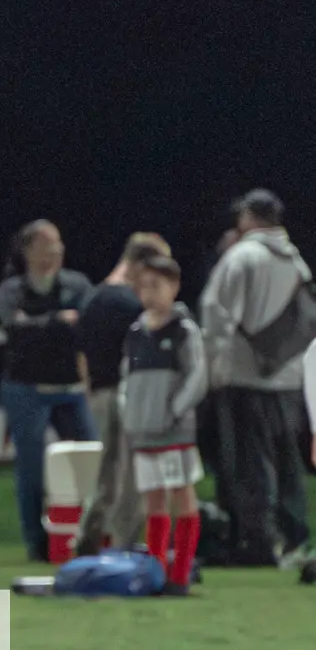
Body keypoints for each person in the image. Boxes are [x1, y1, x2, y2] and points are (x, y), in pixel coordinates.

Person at [199, 190, 314, 568]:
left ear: (248, 217)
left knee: (250, 464)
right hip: (288, 378)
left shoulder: (242, 256)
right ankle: (294, 537)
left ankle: (256, 542)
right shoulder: (296, 260)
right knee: (288, 463)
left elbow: (216, 315)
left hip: (244, 378)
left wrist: (211, 368)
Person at [0, 221, 96, 560]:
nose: (53, 253)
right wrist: (57, 322)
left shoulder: (77, 285)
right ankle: (36, 543)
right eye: (45, 246)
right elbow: (16, 330)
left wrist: (37, 324)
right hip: (26, 388)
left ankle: (89, 535)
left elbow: (86, 328)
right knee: (31, 469)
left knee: (89, 460)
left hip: (71, 386)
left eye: (57, 245)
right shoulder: (11, 290)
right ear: (27, 252)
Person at [73, 232, 171, 553]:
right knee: (132, 476)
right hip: (130, 394)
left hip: (100, 393)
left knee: (107, 472)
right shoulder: (133, 306)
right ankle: (123, 543)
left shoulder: (92, 299)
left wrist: (89, 390)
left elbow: (81, 355)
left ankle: (88, 535)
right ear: (141, 265)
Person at [119, 254, 208, 596]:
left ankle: (180, 575)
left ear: (174, 286)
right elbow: (126, 378)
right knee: (153, 501)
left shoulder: (184, 330)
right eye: (143, 287)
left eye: (156, 285)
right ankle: (155, 574)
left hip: (174, 432)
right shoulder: (136, 332)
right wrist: (129, 412)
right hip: (143, 432)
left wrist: (174, 410)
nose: (149, 293)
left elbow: (197, 376)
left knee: (182, 496)